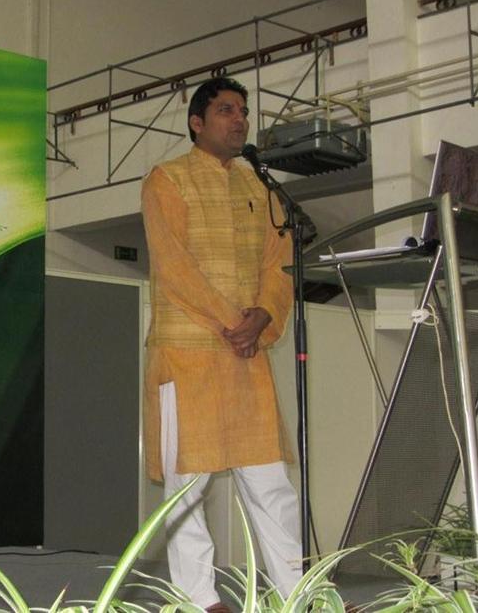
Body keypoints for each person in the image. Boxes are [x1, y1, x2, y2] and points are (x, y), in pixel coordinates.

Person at [141, 77, 301, 613]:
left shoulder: (261, 189)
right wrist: (237, 322)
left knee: (271, 483)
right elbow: (174, 266)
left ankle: (298, 593)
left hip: (245, 357)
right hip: (187, 354)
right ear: (197, 123)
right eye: (227, 111)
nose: (240, 120)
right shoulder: (167, 179)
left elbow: (279, 265)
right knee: (187, 488)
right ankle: (199, 600)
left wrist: (266, 314)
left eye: (244, 111)